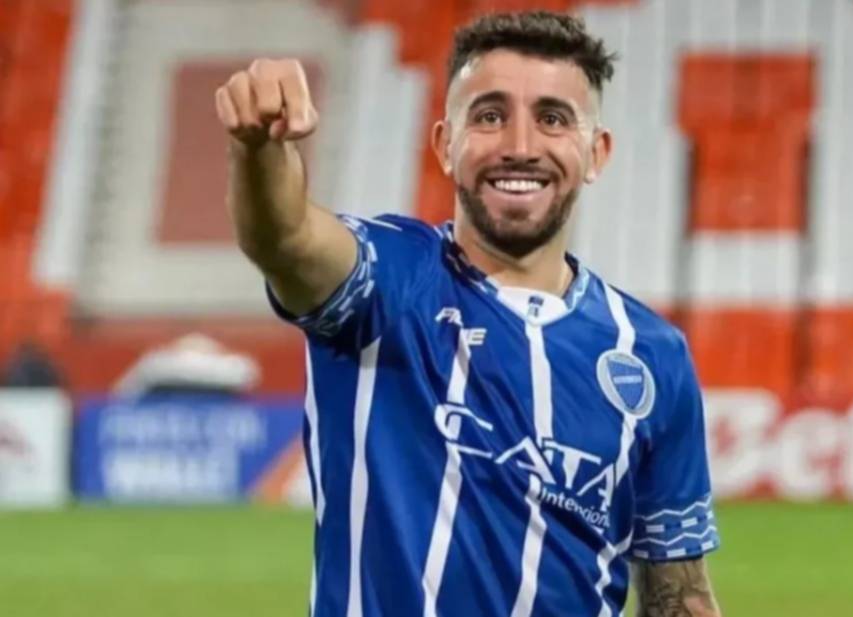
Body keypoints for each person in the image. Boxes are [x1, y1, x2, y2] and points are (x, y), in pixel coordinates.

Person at [215, 10, 721, 617]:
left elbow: (679, 595)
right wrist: (260, 146)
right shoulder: (389, 282)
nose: (520, 147)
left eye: (553, 119)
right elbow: (287, 238)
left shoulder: (651, 353)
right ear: (444, 146)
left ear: (596, 153)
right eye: (489, 116)